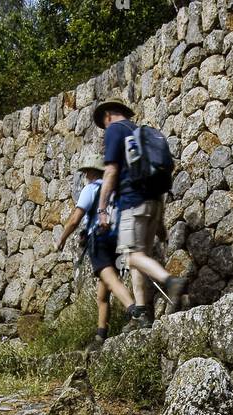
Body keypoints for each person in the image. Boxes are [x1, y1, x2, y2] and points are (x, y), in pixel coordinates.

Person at [92, 92, 186, 326]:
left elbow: (111, 170)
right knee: (140, 257)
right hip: (153, 201)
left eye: (103, 125)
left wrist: (102, 208)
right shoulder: (139, 132)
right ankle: (143, 313)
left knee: (132, 256)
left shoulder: (115, 130)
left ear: (107, 116)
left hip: (132, 202)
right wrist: (161, 221)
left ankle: (170, 281)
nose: (104, 129)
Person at [55, 148, 138, 348]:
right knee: (103, 293)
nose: (85, 176)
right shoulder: (114, 190)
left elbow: (75, 218)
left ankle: (134, 311)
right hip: (118, 238)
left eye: (86, 173)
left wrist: (62, 238)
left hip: (100, 239)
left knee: (110, 278)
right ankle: (101, 335)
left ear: (92, 172)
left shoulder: (91, 189)